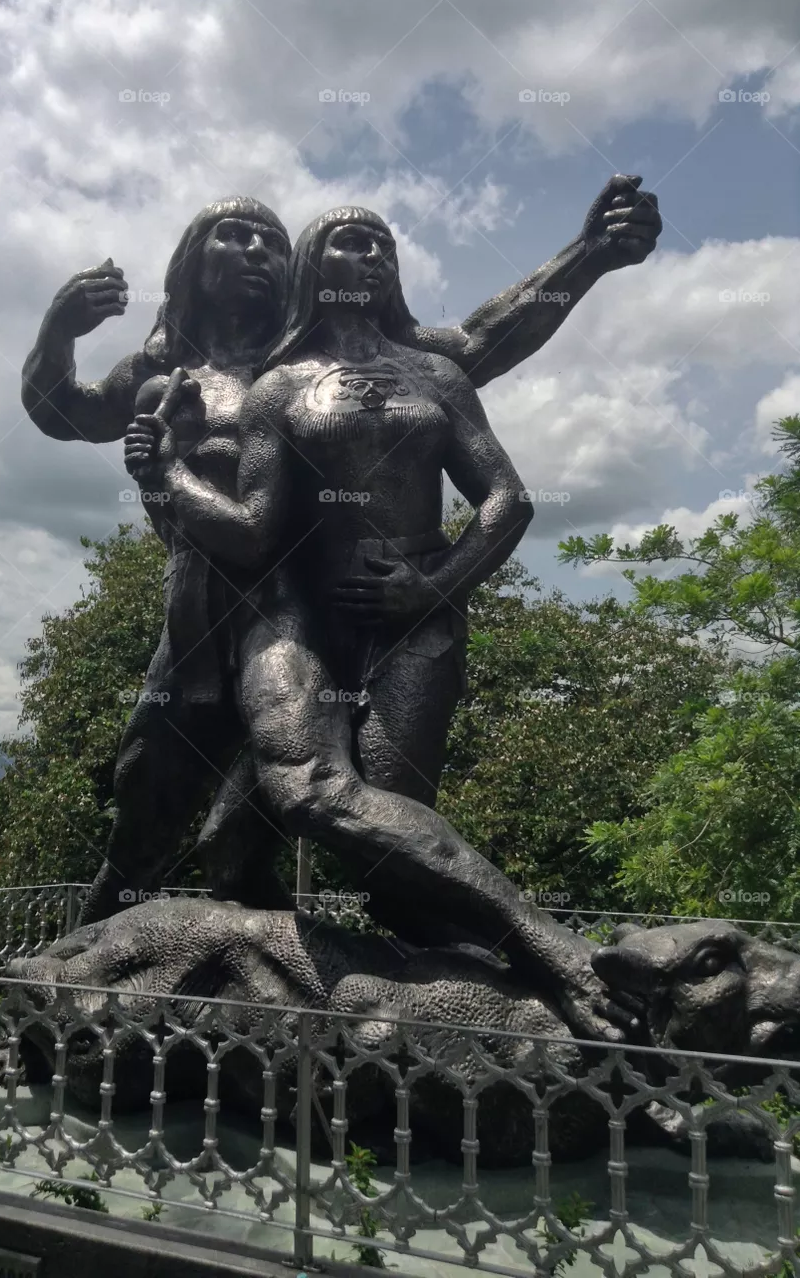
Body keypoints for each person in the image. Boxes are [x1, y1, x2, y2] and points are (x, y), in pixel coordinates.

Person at [21, 178, 661, 928]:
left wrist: (588, 255)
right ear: (191, 261)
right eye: (233, 234)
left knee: (297, 807)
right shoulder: (158, 376)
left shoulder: (315, 357)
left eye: (270, 240)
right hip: (198, 611)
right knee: (149, 798)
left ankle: (401, 959)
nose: (255, 249)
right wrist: (58, 329)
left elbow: (480, 342)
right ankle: (90, 963)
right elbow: (60, 410)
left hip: (296, 610)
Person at [130, 207, 625, 1039]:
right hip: (311, 629)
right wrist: (167, 474)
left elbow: (506, 501)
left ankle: (532, 987)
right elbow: (252, 533)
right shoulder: (279, 389)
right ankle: (293, 1004)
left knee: (389, 853)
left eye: (383, 244)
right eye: (349, 241)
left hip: (413, 630)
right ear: (311, 265)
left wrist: (430, 589)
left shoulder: (434, 375)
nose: (371, 254)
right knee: (238, 842)